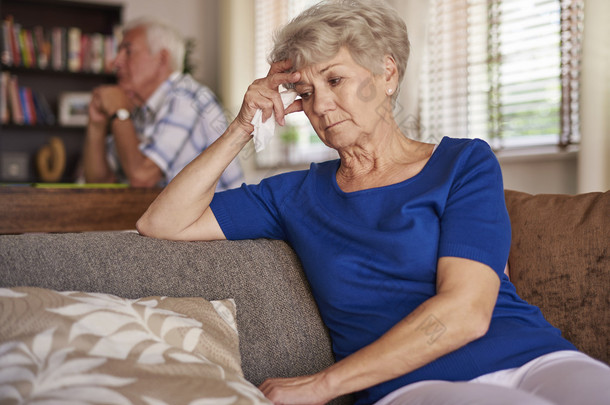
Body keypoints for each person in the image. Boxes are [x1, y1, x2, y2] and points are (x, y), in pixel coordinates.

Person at [136, 1, 610, 404]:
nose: (320, 106)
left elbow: (467, 310)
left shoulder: (463, 163)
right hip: (412, 385)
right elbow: (162, 222)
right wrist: (241, 126)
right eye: (305, 92)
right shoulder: (295, 194)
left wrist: (322, 386)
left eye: (335, 80)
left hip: (535, 355)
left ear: (386, 73)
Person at [83, 18, 243, 189]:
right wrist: (97, 125)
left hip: (222, 215)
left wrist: (120, 111)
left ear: (162, 59)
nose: (116, 62)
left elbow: (142, 177)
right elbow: (100, 183)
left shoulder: (187, 97)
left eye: (128, 52)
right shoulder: (140, 110)